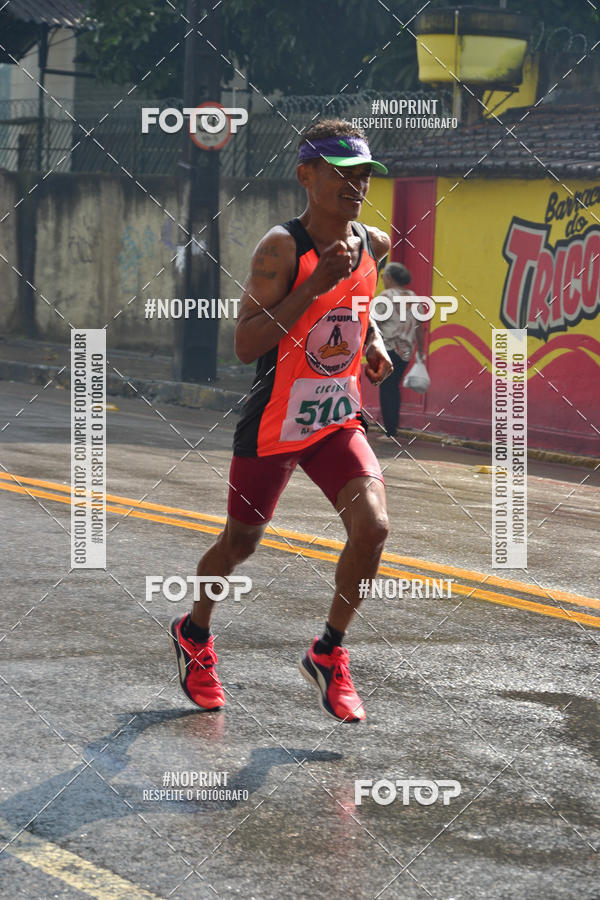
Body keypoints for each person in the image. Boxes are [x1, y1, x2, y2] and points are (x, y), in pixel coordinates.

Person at [170, 119, 393, 723]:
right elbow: (245, 344)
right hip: (274, 422)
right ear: (307, 175)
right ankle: (194, 632)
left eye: (365, 174)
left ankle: (328, 651)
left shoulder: (375, 242)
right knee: (240, 543)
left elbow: (361, 305)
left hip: (336, 418)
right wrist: (315, 284)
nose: (357, 184)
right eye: (342, 173)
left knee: (372, 529)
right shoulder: (281, 249)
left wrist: (372, 342)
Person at [376, 262, 424, 438]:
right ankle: (392, 429)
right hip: (406, 351)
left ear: (389, 277)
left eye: (383, 277)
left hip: (387, 348)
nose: (383, 280)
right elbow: (419, 326)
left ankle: (390, 432)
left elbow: (372, 322)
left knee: (386, 388)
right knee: (393, 387)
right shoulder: (413, 297)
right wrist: (421, 350)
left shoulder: (386, 296)